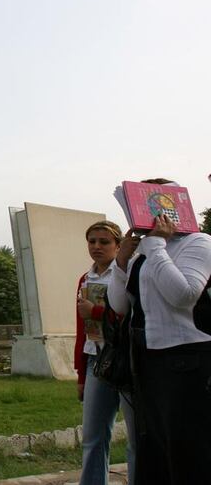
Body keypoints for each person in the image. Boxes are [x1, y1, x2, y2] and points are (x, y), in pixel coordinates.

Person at [107, 180, 211, 485]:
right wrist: (122, 261)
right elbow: (120, 306)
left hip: (188, 358)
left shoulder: (199, 242)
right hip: (149, 359)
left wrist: (155, 246)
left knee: (190, 451)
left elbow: (183, 295)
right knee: (156, 448)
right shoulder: (143, 252)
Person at [73, 221, 135, 485]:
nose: (97, 247)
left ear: (118, 245)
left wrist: (96, 311)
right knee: (93, 436)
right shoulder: (86, 279)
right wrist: (81, 375)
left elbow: (131, 317)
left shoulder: (128, 273)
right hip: (96, 359)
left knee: (136, 437)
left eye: (104, 242)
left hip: (127, 358)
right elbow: (81, 329)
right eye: (92, 241)